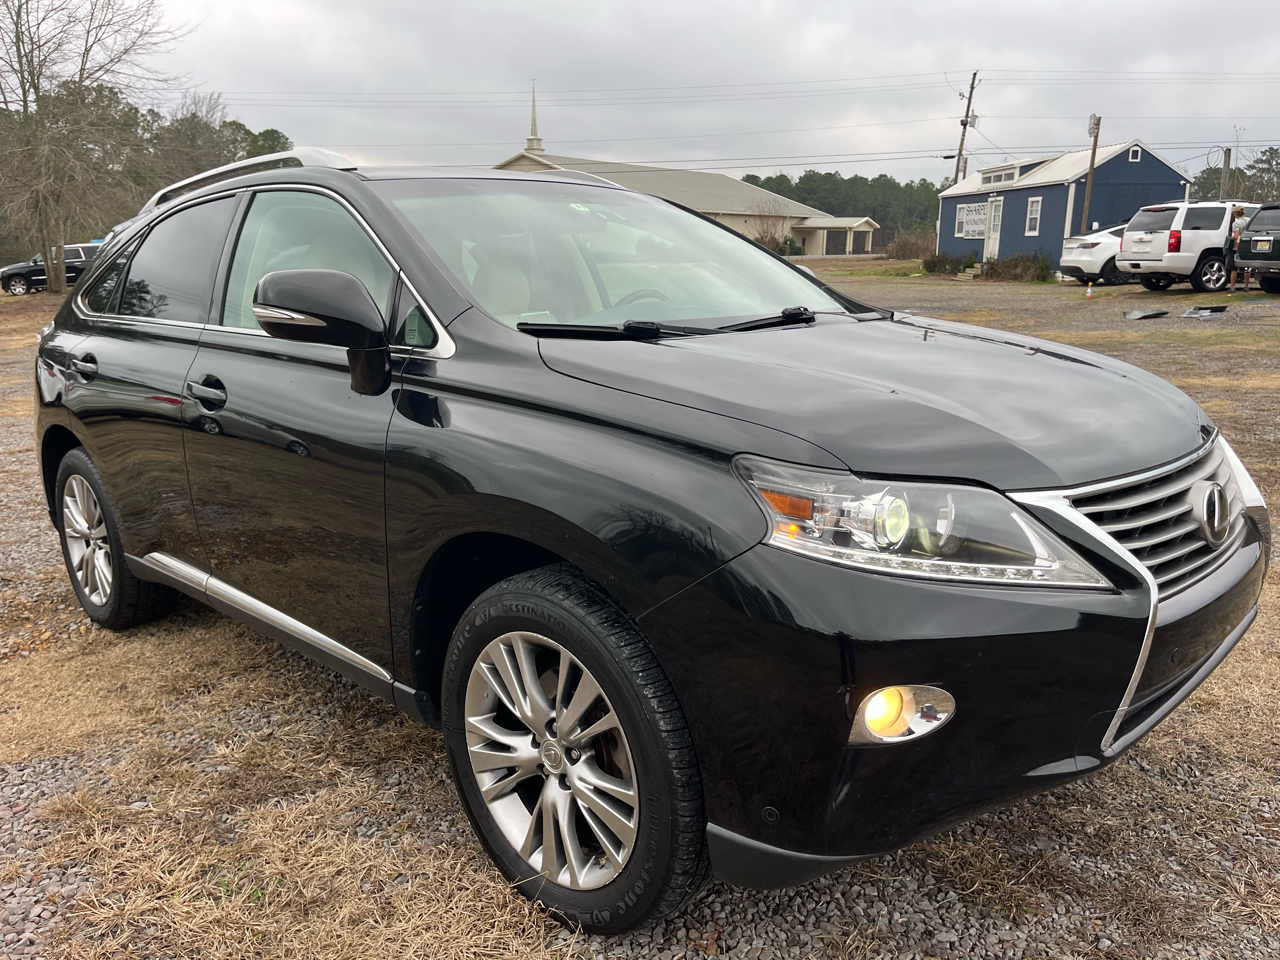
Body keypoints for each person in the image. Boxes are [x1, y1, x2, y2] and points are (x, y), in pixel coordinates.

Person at [1228, 205, 1252, 294]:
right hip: (1246, 245)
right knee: (1247, 267)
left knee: (1233, 268)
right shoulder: (1249, 220)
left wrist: (1230, 238)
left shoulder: (1236, 223)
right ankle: (1246, 286)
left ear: (1235, 213)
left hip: (1237, 246)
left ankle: (1232, 287)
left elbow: (1236, 235)